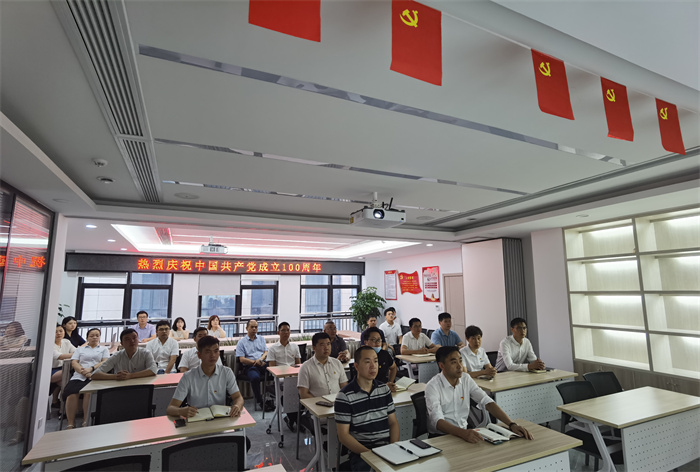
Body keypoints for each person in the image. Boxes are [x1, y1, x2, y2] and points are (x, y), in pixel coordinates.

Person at [426, 346, 534, 442]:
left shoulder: (466, 378)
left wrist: (511, 424)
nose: (459, 366)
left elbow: (486, 401)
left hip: (464, 433)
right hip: (441, 438)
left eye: (460, 361)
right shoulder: (433, 386)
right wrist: (463, 433)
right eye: (453, 362)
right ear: (442, 365)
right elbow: (437, 421)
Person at [335, 346, 399, 471]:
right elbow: (343, 435)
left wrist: (393, 448)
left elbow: (393, 423)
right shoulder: (345, 396)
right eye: (367, 362)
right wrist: (370, 455)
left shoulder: (384, 389)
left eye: (375, 361)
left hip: (386, 448)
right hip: (362, 452)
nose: (373, 366)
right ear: (357, 366)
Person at [167, 335, 244, 419]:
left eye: (216, 351)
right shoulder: (188, 376)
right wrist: (181, 411)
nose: (213, 355)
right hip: (196, 419)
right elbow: (170, 408)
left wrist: (237, 405)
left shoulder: (226, 372)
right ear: (199, 355)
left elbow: (238, 397)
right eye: (208, 352)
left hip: (220, 419)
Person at [63, 328, 109, 429]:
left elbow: (104, 362)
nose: (94, 337)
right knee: (71, 393)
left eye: (97, 335)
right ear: (87, 338)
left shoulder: (104, 349)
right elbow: (74, 362)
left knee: (89, 393)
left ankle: (86, 420)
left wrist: (91, 369)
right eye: (92, 336)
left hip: (95, 375)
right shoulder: (80, 349)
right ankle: (70, 423)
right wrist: (83, 371)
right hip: (79, 375)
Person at [267, 321, 301, 431]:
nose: (286, 333)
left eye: (288, 330)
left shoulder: (295, 347)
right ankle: (295, 419)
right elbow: (272, 368)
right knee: (287, 392)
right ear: (278, 332)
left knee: (304, 391)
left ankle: (294, 419)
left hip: (294, 376)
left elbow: (298, 365)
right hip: (280, 378)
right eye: (283, 330)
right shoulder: (273, 348)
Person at [92, 328, 157, 380]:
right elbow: (95, 374)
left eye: (134, 338)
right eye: (127, 339)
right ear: (122, 344)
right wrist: (116, 376)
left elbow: (153, 370)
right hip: (121, 387)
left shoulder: (146, 353)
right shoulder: (117, 356)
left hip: (141, 386)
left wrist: (130, 376)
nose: (132, 341)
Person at [297, 332, 348, 399]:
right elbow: (303, 394)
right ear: (314, 348)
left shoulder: (337, 363)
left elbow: (344, 387)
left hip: (337, 402)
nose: (326, 348)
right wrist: (320, 402)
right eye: (322, 345)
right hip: (316, 404)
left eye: (328, 344)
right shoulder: (306, 367)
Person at [237, 319, 273, 411]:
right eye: (252, 327)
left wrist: (260, 360)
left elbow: (265, 352)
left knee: (275, 371)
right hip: (250, 366)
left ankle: (275, 398)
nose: (254, 329)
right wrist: (255, 362)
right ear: (247, 328)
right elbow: (242, 359)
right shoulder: (241, 342)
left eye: (256, 327)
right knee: (254, 378)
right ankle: (260, 401)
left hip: (263, 363)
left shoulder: (261, 339)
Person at [51, 325, 76, 407]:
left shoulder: (66, 342)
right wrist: (74, 355)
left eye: (61, 331)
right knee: (67, 377)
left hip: (62, 369)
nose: (58, 333)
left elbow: (76, 351)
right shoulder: (49, 344)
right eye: (55, 332)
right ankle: (63, 406)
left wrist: (75, 354)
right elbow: (60, 356)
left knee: (64, 383)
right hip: (50, 370)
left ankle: (57, 403)